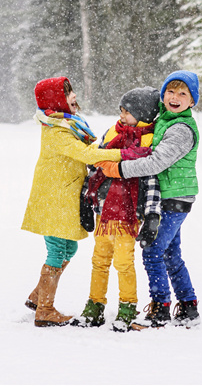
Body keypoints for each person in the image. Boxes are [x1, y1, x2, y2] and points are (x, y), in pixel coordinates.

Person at [96, 70, 202, 328]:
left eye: (183, 93)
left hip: (174, 197)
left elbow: (156, 162)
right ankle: (189, 307)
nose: (175, 97)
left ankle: (160, 308)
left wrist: (118, 169)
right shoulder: (165, 120)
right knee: (170, 254)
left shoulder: (181, 129)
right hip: (171, 196)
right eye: (170, 91)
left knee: (153, 251)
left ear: (192, 102)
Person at [22, 76, 122, 327]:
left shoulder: (71, 124)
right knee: (56, 251)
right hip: (53, 198)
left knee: (71, 248)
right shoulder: (56, 131)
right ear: (56, 102)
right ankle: (45, 310)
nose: (74, 96)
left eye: (72, 91)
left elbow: (90, 145)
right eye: (67, 94)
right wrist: (123, 154)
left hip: (64, 197)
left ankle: (37, 297)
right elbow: (87, 153)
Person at [75, 87, 160, 332]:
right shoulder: (113, 132)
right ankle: (95, 305)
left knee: (124, 262)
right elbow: (95, 164)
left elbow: (152, 179)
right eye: (121, 110)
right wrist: (85, 199)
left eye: (127, 112)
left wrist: (152, 213)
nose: (121, 116)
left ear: (143, 114)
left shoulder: (149, 142)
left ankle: (127, 306)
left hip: (128, 214)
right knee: (99, 260)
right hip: (103, 211)